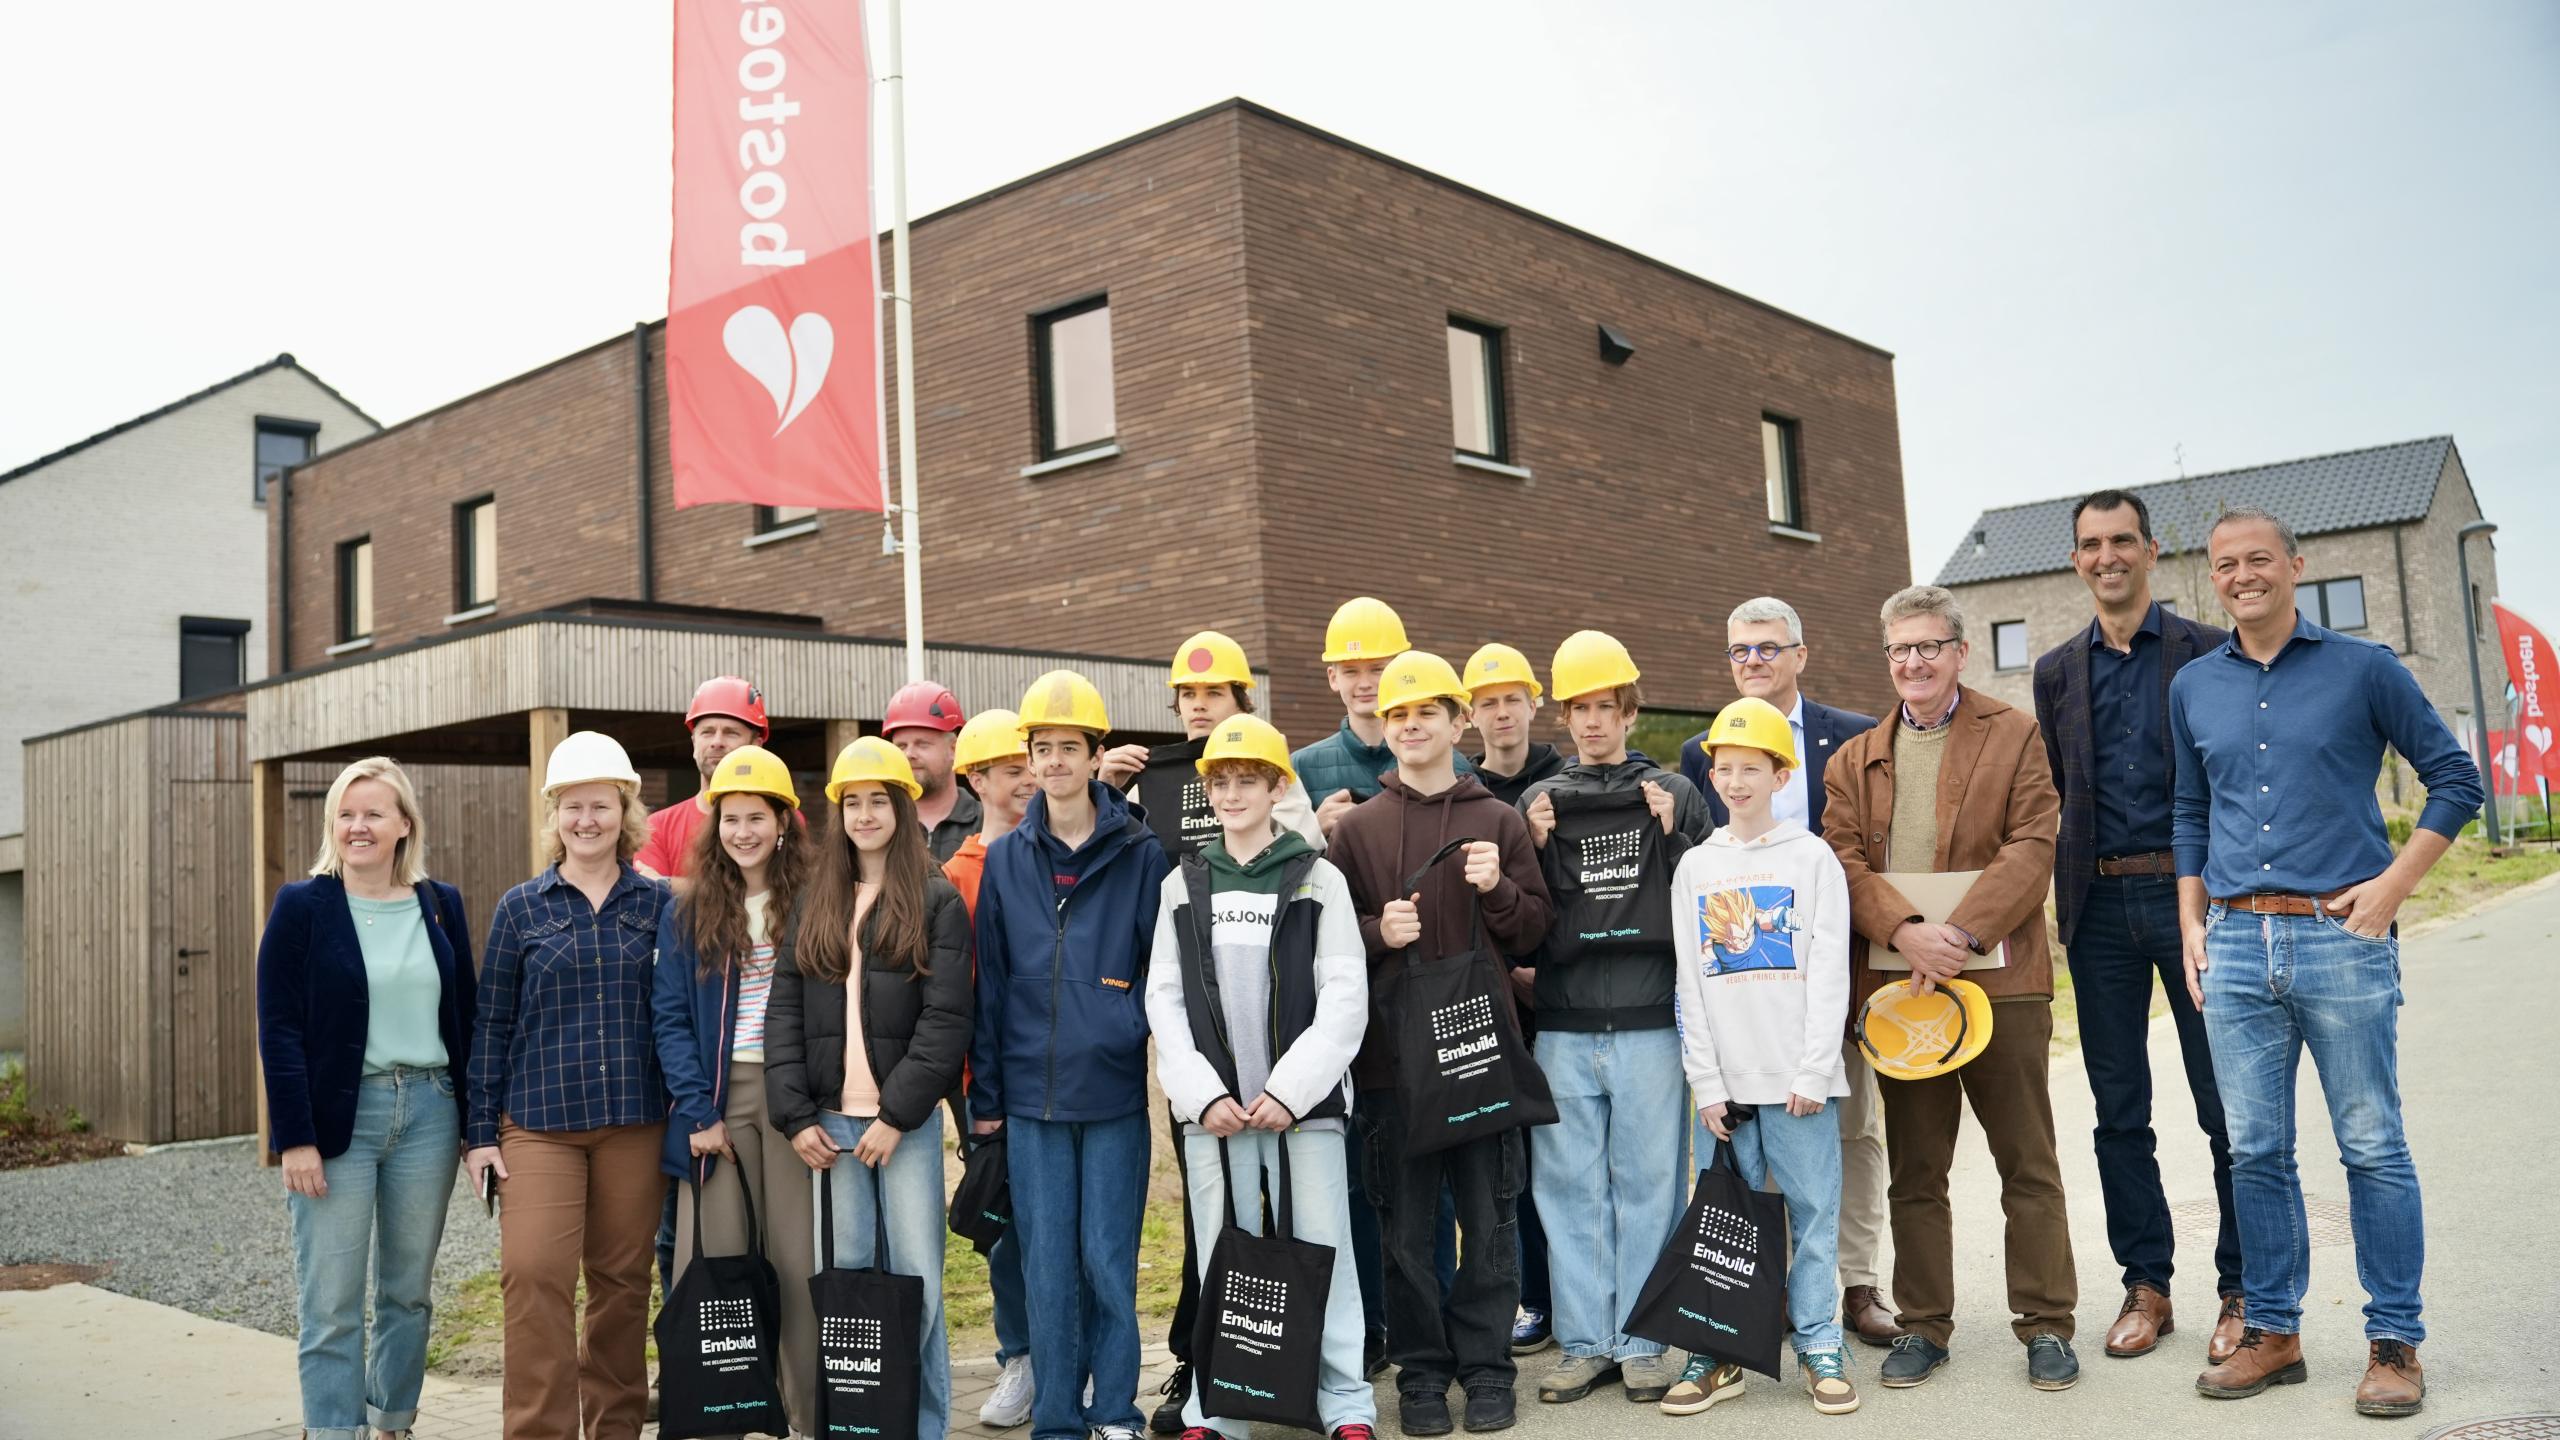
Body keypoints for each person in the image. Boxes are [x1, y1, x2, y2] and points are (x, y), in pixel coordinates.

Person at [2176, 508, 2481, 1420]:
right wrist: (2191, 920)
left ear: (2295, 567)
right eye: (2226, 565)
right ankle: (2274, 1332)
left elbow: (2455, 779)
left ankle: (2394, 1344)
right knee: (2256, 1150)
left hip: (2340, 937)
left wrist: (2391, 889)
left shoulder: (2365, 668)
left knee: (2373, 1147)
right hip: (2232, 943)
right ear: (2214, 577)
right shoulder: (2193, 683)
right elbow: (2190, 809)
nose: (2242, 576)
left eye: (2258, 559)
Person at [1821, 584, 2080, 1393]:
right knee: (1916, 1167)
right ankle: (1924, 1326)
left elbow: (2035, 839)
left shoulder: (2014, 735)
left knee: (2025, 1160)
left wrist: (1960, 935)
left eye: (1929, 646)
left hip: (2002, 984)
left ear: (1960, 653)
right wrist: (1905, 935)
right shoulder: (1852, 760)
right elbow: (1844, 864)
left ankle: (2045, 1325)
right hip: (1903, 999)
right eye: (1900, 649)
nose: (1914, 662)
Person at [2029, 490, 2245, 1365]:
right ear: (2076, 560)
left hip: (2194, 902)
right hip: (2099, 909)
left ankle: (2245, 1288)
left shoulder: (2205, 650)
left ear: (2152, 552)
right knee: (2119, 1111)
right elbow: (2056, 790)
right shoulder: (2053, 671)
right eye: (2091, 544)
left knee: (2225, 1105)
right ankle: (2146, 1284)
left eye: (2123, 540)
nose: (2107, 556)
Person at [1095, 630, 1322, 1431]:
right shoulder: (1157, 786)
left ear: (1242, 703)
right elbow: (1126, 877)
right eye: (1187, 699)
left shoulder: (1273, 784)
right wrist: (1112, 796)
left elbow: (1308, 858)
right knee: (1206, 1225)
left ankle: (1295, 1368)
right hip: (1195, 1044)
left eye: (1213, 696)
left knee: (1291, 1219)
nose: (1198, 709)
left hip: (1274, 1046)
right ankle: (1199, 1366)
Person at [1328, 651, 1554, 1438]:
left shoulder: (1496, 818)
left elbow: (1534, 934)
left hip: (1481, 1057)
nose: (1412, 724)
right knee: (1406, 1230)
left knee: (1490, 1224)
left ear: (1458, 723)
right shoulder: (1357, 830)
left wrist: (1498, 889)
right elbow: (1324, 946)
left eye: (1427, 711)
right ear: (1383, 729)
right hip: (1392, 1068)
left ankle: (1488, 1369)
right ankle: (1422, 1374)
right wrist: (1373, 932)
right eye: (1397, 713)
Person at [1146, 714, 1378, 1440]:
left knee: (1324, 1249)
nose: (1233, 794)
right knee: (1223, 1256)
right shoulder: (1183, 884)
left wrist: (1289, 1089)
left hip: (1300, 1113)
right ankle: (1217, 1408)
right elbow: (1165, 1000)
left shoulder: (1318, 878)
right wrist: (1200, 1093)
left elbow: (1344, 997)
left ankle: (1344, 1402)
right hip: (1216, 1119)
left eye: (1249, 780)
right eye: (1221, 783)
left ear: (1279, 786)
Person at [1676, 598, 1897, 1347]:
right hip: (1741, 997)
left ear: (1801, 653)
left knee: (1849, 1140)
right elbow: (1695, 936)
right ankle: (1758, 1305)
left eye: (1769, 648)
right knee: (1750, 1172)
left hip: (1827, 976)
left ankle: (1855, 1286)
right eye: (1741, 651)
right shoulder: (1699, 765)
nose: (1754, 661)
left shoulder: (1854, 737)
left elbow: (1871, 857)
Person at [969, 670, 1174, 1440]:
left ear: (1095, 756)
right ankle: (1057, 1418)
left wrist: (1122, 1019)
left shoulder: (1140, 853)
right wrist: (987, 1103)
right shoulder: (1007, 860)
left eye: (1068, 748)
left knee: (1107, 1261)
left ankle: (1115, 1410)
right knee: (1047, 1267)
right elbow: (989, 987)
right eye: (1041, 749)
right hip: (1030, 1101)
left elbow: (1163, 975)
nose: (1053, 762)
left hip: (1114, 1091)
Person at [1514, 632, 1710, 1407]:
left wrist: (1677, 836)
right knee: (1566, 1188)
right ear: (1563, 717)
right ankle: (1585, 1343)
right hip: (1560, 1024)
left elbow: (1711, 895)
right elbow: (1516, 913)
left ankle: (1644, 1341)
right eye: (1579, 709)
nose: (1593, 722)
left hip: (1650, 1024)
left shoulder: (1676, 793)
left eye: (1606, 707)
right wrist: (1530, 846)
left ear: (1630, 711)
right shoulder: (1537, 804)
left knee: (1650, 1184)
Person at [257, 757, 475, 1440]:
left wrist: (476, 1127)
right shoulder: (302, 906)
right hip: (336, 1122)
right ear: (333, 825)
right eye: (347, 815)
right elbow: (279, 1025)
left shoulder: (441, 904)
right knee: (331, 1300)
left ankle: (393, 1421)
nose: (359, 827)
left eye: (374, 813)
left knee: (407, 1292)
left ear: (403, 824)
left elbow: (465, 1016)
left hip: (431, 1115)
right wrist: (294, 1137)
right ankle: (330, 1430)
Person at [768, 737, 976, 1440]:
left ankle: (922, 1426)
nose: (863, 814)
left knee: (916, 1279)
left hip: (902, 1129)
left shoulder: (937, 900)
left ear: (901, 807)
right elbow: (785, 1015)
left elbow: (947, 1021)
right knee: (849, 1282)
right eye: (851, 802)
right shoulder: (813, 901)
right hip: (830, 1127)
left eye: (876, 801)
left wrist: (897, 1115)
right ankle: (860, 1424)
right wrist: (795, 1117)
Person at [467, 732, 670, 1440]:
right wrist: (478, 1136)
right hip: (539, 1123)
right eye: (574, 807)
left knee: (620, 1288)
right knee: (533, 1278)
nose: (588, 820)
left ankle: (614, 1428)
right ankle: (538, 1431)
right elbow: (490, 1024)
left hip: (635, 1123)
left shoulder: (659, 904)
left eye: (602, 805)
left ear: (625, 810)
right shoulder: (522, 907)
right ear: (554, 815)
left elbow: (678, 1016)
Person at [1666, 698, 1859, 1418]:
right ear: (1711, 776)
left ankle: (1817, 1344)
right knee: (1724, 1222)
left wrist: (1813, 1070)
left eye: (1753, 768)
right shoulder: (1695, 867)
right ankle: (1719, 1352)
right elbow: (1690, 981)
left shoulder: (1811, 858)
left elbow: (1829, 968)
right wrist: (1706, 1085)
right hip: (1726, 1088)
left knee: (1812, 1216)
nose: (1738, 781)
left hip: (1798, 1080)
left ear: (1782, 775)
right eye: (1726, 768)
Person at [649, 744, 818, 1436]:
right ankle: (719, 1416)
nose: (742, 831)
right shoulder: (690, 910)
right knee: (712, 1264)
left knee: (797, 1262)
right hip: (716, 1104)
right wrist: (696, 1111)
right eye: (730, 818)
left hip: (790, 1098)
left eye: (756, 817)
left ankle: (806, 1416)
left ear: (784, 822)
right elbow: (669, 1016)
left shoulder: (814, 899)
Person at [1461, 643, 1564, 1358]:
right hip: (1493, 998)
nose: (1501, 712)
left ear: (1535, 703)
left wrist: (1546, 975)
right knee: (1513, 1164)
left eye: (1512, 699)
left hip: (1562, 995)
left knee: (1570, 1158)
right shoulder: (1462, 792)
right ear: (1471, 715)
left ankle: (1578, 1293)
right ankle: (1531, 1293)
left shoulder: (1569, 780)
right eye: (1487, 701)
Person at [943, 707, 1043, 1430]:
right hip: (988, 1087)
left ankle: (1077, 1354)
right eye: (1012, 772)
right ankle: (1021, 1357)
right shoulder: (955, 877)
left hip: (1062, 1075)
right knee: (1004, 1227)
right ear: (975, 779)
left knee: (1067, 1228)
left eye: (1030, 767)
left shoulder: (1061, 851)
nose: (1028, 781)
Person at [1292, 598, 1471, 832]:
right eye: (1351, 672)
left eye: (1377, 669)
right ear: (1333, 677)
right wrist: (1312, 831)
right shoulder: (1302, 767)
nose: (1365, 683)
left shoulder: (1453, 764)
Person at [637, 675, 771, 880]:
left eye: (731, 733)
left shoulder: (780, 818)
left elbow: (778, 892)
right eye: (707, 732)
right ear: (694, 743)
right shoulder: (657, 828)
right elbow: (654, 900)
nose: (717, 742)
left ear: (756, 745)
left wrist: (672, 886)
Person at [883, 679, 980, 862]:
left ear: (953, 749)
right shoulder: (883, 828)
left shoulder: (987, 825)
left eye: (922, 744)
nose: (909, 754)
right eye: (901, 746)